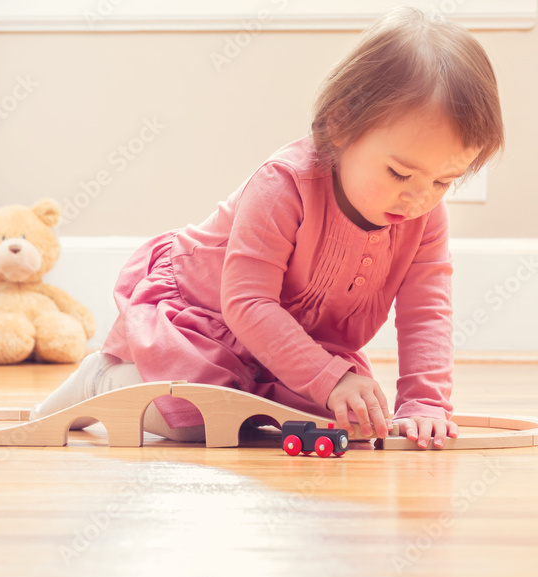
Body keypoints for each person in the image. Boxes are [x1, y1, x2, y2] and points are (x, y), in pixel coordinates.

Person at [31, 7, 504, 449]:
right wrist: (331, 377)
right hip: (210, 321)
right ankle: (104, 379)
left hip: (299, 344)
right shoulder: (285, 185)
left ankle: (262, 393)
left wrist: (424, 401)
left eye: (444, 180)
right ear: (340, 124)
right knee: (195, 420)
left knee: (352, 423)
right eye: (400, 173)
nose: (419, 196)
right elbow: (247, 302)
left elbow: (427, 313)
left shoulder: (425, 218)